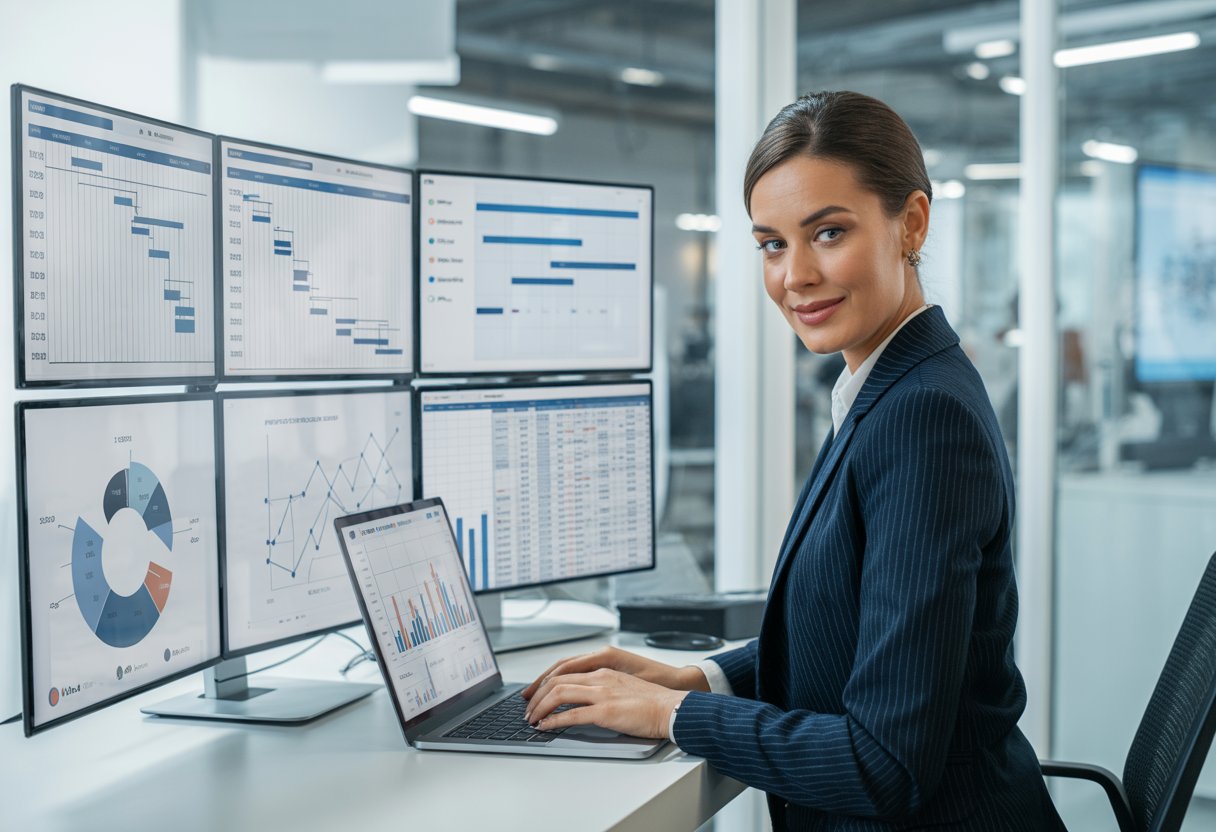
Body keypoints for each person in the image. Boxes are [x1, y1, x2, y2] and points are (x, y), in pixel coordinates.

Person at [522, 91, 1065, 831]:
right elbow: (854, 638)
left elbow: (885, 764)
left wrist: (672, 714)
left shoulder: (922, 415)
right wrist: (699, 677)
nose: (796, 275)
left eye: (829, 232)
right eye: (772, 244)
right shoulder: (886, 386)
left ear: (911, 224)